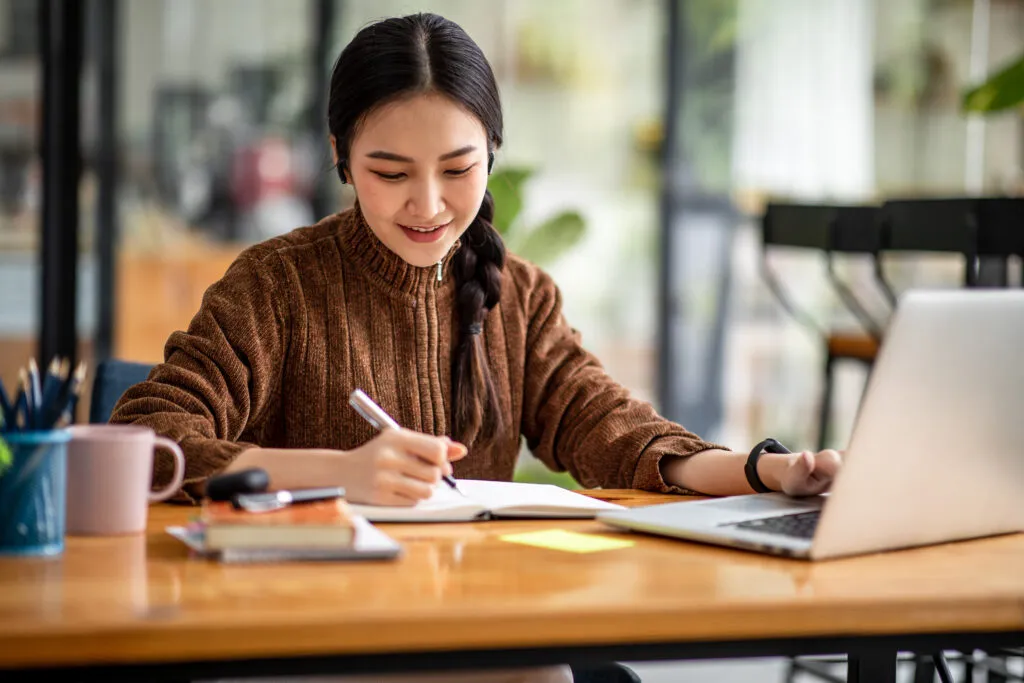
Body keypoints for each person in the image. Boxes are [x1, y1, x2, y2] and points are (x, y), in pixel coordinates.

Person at [111, 13, 841, 683]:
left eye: (457, 170)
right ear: (340, 156)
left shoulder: (517, 294)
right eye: (390, 173)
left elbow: (612, 431)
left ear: (492, 152)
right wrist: (338, 474)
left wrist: (764, 470)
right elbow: (143, 438)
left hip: (474, 618)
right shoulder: (277, 286)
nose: (426, 204)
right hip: (310, 627)